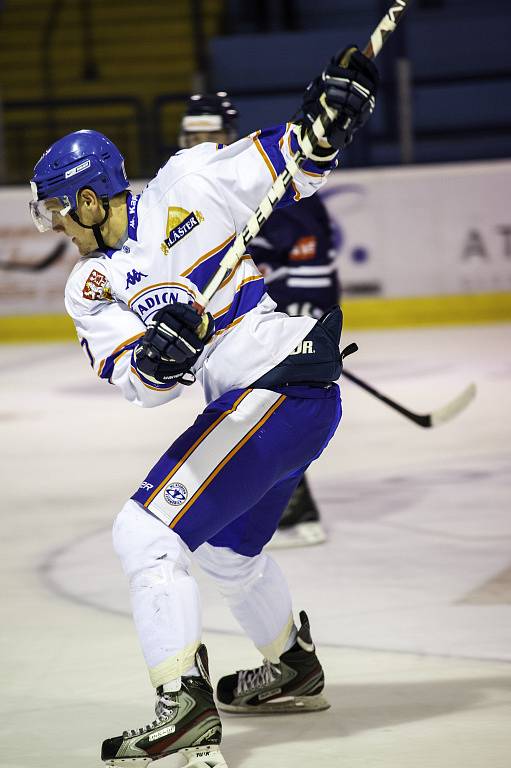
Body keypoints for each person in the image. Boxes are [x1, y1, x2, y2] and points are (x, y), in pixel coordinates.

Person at [29, 48, 378, 768]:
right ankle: (291, 667)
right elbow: (139, 383)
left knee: (143, 533)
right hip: (277, 402)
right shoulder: (91, 286)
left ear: (90, 199)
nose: (58, 227)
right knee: (224, 554)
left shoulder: (185, 183)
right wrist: (161, 360)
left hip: (281, 382)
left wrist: (324, 124)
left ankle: (184, 711)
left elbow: (295, 164)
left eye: (60, 210)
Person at [179, 92, 342, 549]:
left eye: (210, 137)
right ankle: (253, 503)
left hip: (279, 326)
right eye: (192, 137)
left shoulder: (275, 190)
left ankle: (293, 502)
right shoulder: (180, 201)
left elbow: (314, 274)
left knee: (273, 410)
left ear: (229, 137)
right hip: (228, 341)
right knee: (235, 414)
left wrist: (301, 333)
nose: (200, 146)